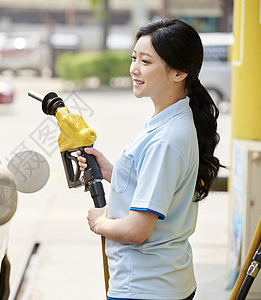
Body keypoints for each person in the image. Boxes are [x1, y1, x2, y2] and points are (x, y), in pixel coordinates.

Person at [78, 18, 221, 300]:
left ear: (179, 72)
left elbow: (136, 230)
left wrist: (99, 223)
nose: (134, 69)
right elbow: (157, 181)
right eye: (134, 58)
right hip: (163, 282)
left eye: (146, 61)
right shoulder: (172, 119)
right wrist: (112, 170)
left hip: (146, 288)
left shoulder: (167, 139)